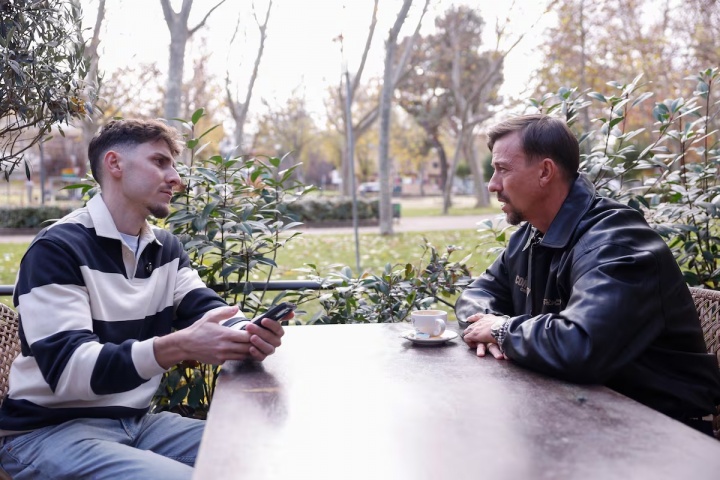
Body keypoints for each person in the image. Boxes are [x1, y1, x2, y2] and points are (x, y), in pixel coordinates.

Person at [0, 119, 289, 479]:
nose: (176, 178)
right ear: (115, 164)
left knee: (269, 450)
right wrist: (178, 346)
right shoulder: (57, 249)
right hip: (47, 433)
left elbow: (206, 307)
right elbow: (71, 370)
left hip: (136, 423)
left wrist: (247, 332)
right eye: (159, 162)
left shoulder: (164, 248)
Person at [457, 114, 720, 435]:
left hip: (662, 431)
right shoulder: (530, 237)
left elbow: (581, 344)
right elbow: (478, 294)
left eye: (503, 169)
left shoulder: (617, 242)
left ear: (545, 172)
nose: (493, 184)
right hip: (580, 413)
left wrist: (502, 330)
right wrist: (485, 326)